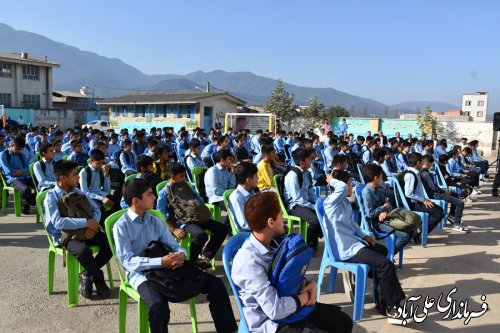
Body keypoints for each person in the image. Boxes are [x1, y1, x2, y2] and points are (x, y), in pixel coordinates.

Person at [114, 178, 237, 333]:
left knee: (217, 285)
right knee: (158, 306)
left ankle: (227, 330)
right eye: (150, 194)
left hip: (168, 268)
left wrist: (180, 254)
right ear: (136, 201)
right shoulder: (121, 226)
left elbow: (174, 245)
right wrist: (161, 262)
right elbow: (127, 261)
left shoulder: (155, 220)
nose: (154, 197)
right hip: (140, 274)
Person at [232, 191, 353, 333]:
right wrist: (304, 298)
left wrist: (309, 284)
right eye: (280, 215)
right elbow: (274, 310)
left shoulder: (274, 242)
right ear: (271, 222)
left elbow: (284, 275)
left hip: (290, 306)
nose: (284, 218)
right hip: (270, 323)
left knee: (343, 322)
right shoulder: (248, 262)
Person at [323, 170, 407, 324]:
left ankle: (383, 294)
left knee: (383, 251)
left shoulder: (344, 203)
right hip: (345, 250)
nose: (352, 186)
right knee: (385, 264)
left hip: (355, 243)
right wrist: (331, 179)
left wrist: (365, 237)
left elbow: (353, 225)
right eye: (350, 183)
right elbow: (341, 187)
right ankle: (392, 307)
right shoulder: (330, 203)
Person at [44, 160, 112, 299]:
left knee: (110, 244)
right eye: (75, 174)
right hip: (66, 236)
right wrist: (86, 223)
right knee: (83, 251)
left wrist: (93, 225)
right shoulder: (51, 196)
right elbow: (58, 223)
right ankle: (99, 280)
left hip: (87, 229)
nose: (79, 177)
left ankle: (87, 274)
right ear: (63, 178)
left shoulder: (78, 192)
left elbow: (95, 209)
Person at [156, 163, 227, 269]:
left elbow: (199, 200)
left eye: (184, 175)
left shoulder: (187, 186)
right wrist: (174, 229)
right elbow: (161, 214)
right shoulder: (164, 193)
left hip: (199, 218)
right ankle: (190, 263)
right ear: (172, 177)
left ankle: (206, 255)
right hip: (184, 222)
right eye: (181, 176)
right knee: (201, 235)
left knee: (222, 229)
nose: (184, 178)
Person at [361, 164, 412, 255]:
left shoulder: (378, 189)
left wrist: (384, 210)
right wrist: (384, 208)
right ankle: (387, 256)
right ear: (376, 178)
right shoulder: (367, 192)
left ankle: (387, 256)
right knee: (404, 236)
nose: (382, 179)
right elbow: (370, 213)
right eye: (381, 176)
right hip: (376, 224)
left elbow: (387, 204)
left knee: (412, 230)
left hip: (385, 218)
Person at [284, 148, 322, 249]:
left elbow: (310, 192)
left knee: (324, 214)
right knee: (315, 220)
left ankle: (316, 238)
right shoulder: (292, 176)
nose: (311, 161)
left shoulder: (306, 173)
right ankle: (310, 244)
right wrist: (313, 207)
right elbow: (297, 199)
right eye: (309, 159)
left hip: (305, 202)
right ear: (301, 162)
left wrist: (319, 202)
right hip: (295, 206)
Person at [420, 155, 469, 232]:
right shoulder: (426, 174)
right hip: (435, 195)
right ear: (427, 163)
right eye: (431, 164)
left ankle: (451, 216)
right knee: (460, 203)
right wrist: (444, 191)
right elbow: (433, 187)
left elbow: (433, 186)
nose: (431, 166)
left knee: (455, 195)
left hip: (434, 193)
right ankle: (456, 224)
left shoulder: (422, 172)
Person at [403, 153, 445, 239]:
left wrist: (424, 199)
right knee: (439, 212)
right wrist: (423, 200)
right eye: (422, 162)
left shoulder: (415, 173)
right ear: (418, 163)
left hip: (418, 201)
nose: (423, 164)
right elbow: (408, 193)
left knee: (439, 210)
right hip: (414, 203)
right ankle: (419, 232)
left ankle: (420, 231)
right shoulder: (410, 175)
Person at [0, 137, 34, 214]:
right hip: (12, 179)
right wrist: (23, 171)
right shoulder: (3, 155)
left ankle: (30, 201)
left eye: (21, 149)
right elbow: (9, 172)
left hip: (24, 177)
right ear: (11, 145)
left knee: (39, 184)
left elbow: (28, 169)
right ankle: (27, 204)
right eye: (17, 149)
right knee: (25, 189)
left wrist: (20, 171)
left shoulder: (21, 155)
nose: (19, 151)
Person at [204, 149, 236, 229]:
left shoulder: (226, 170)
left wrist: (232, 172)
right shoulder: (212, 171)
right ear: (222, 160)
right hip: (215, 198)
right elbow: (216, 191)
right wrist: (229, 193)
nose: (230, 161)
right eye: (229, 159)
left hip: (224, 196)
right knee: (229, 204)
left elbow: (231, 186)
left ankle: (230, 225)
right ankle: (226, 227)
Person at [229, 162, 258, 231]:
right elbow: (245, 225)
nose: (258, 179)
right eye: (256, 176)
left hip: (256, 227)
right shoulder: (237, 197)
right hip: (247, 234)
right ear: (248, 180)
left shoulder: (251, 191)